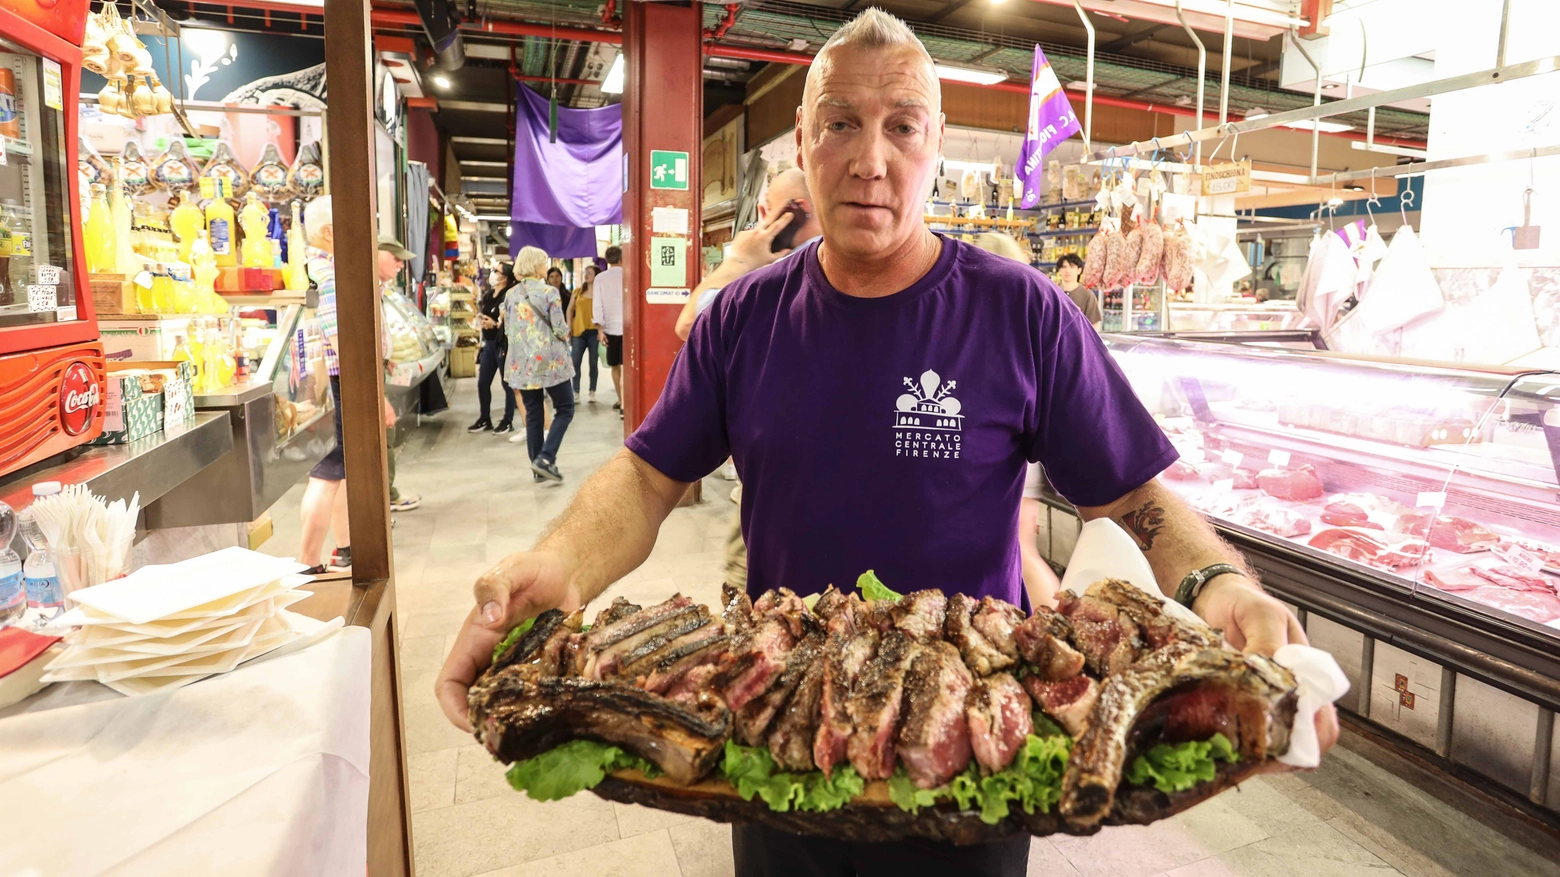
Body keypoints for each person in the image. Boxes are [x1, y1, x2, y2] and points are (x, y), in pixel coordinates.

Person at [436, 10, 1333, 876]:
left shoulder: (1023, 314)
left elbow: (1133, 497)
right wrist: (556, 564)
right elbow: (645, 478)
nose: (872, 160)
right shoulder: (744, 318)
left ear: (935, 144)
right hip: (787, 734)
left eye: (903, 126)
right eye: (842, 123)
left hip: (968, 747)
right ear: (802, 138)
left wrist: (1221, 585)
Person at [970, 232, 1062, 608]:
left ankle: (1053, 623)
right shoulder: (1010, 318)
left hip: (1011, 460)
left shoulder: (990, 315)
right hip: (1019, 455)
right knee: (1023, 550)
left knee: (1022, 551)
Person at [674, 167, 823, 341]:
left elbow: (689, 325)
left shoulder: (778, 280)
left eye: (768, 208)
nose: (763, 219)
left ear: (797, 211)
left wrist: (740, 258)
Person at [503, 246, 574, 483]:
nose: (547, 265)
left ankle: (537, 470)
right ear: (535, 265)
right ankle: (545, 457)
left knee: (533, 414)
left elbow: (507, 330)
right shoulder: (549, 292)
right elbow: (560, 328)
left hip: (521, 363)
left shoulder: (511, 294)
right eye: (544, 262)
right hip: (549, 363)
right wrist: (566, 333)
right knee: (565, 408)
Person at [377, 235, 421, 512]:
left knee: (385, 438)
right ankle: (385, 497)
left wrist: (385, 358)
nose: (400, 266)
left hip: (378, 368)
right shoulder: (363, 288)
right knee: (383, 437)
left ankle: (385, 495)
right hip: (368, 377)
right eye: (395, 258)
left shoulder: (379, 289)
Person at [470, 261, 518, 435]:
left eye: (496, 271)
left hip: (502, 343)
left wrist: (496, 325)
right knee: (483, 382)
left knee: (507, 384)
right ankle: (485, 418)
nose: (492, 273)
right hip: (488, 344)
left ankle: (508, 420)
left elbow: (510, 321)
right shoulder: (489, 294)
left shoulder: (508, 296)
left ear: (505, 277)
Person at [592, 246, 625, 414]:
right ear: (621, 259)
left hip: (610, 328)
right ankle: (627, 404)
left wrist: (599, 329)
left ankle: (621, 401)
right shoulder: (630, 275)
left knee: (615, 367)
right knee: (627, 367)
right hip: (629, 327)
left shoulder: (600, 278)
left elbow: (597, 305)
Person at [566, 264, 600, 402]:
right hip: (578, 331)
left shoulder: (600, 292)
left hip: (595, 331)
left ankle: (592, 390)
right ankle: (576, 391)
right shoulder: (577, 292)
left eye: (590, 273)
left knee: (593, 363)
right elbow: (570, 309)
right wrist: (569, 325)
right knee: (575, 362)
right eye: (586, 273)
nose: (587, 275)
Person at [1053, 253, 1102, 328]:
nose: (1068, 270)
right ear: (1059, 270)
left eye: (1072, 267)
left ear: (1079, 270)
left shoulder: (1087, 295)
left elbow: (1094, 324)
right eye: (1064, 267)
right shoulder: (1053, 293)